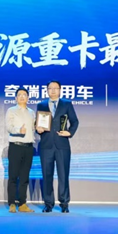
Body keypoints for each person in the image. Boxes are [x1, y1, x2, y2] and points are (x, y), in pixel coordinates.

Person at [36, 80, 79, 213]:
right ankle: (48, 204)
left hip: (62, 145)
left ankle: (64, 204)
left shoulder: (66, 104)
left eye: (56, 88)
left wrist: (69, 132)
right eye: (50, 88)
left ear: (60, 90)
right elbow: (38, 123)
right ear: (47, 90)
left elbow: (75, 121)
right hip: (46, 145)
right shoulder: (41, 105)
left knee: (63, 175)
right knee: (47, 175)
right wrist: (38, 129)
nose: (53, 90)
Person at [5, 87, 36, 213]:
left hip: (28, 147)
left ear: (28, 98)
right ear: (16, 98)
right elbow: (9, 127)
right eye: (20, 95)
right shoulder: (11, 110)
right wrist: (19, 130)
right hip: (15, 146)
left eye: (24, 95)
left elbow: (34, 127)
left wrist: (39, 127)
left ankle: (22, 203)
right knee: (13, 176)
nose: (22, 96)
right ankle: (12, 203)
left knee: (24, 177)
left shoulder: (32, 112)